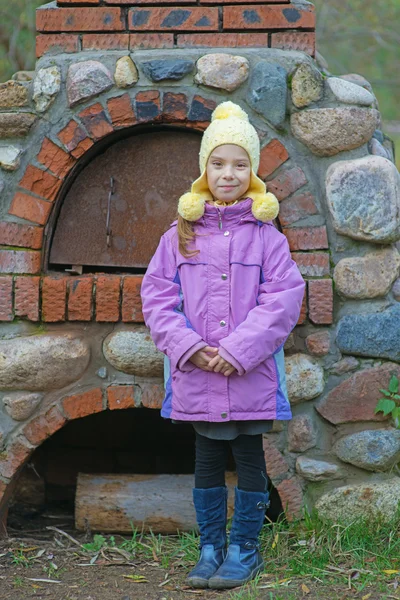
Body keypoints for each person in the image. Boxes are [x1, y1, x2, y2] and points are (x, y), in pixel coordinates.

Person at [140, 101, 305, 590]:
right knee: (207, 457)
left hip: (247, 371)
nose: (227, 173)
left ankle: (244, 550)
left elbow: (283, 299)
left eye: (239, 164)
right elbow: (156, 297)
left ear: (252, 172)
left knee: (250, 456)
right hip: (196, 371)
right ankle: (209, 549)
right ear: (203, 171)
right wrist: (189, 347)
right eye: (218, 163)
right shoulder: (178, 236)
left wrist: (236, 351)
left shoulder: (267, 238)